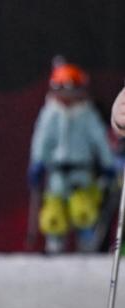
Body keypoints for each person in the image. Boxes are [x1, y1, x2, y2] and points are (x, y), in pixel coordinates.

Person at [27, 59, 115, 253]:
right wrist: (37, 163)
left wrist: (108, 163)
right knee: (54, 216)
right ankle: (54, 246)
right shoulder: (50, 113)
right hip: (56, 173)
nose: (68, 96)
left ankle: (87, 246)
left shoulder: (87, 114)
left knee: (83, 211)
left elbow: (100, 140)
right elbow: (42, 140)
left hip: (82, 172)